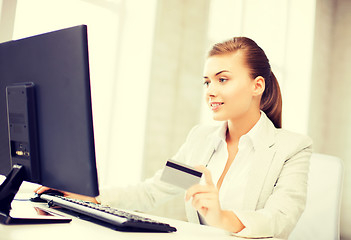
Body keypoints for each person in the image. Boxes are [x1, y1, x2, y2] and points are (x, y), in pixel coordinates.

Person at [36, 37, 312, 239]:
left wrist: (220, 218)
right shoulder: (201, 139)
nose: (210, 91)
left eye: (222, 79)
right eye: (207, 81)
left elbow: (279, 220)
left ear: (257, 85)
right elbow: (154, 191)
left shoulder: (291, 148)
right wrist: (91, 198)